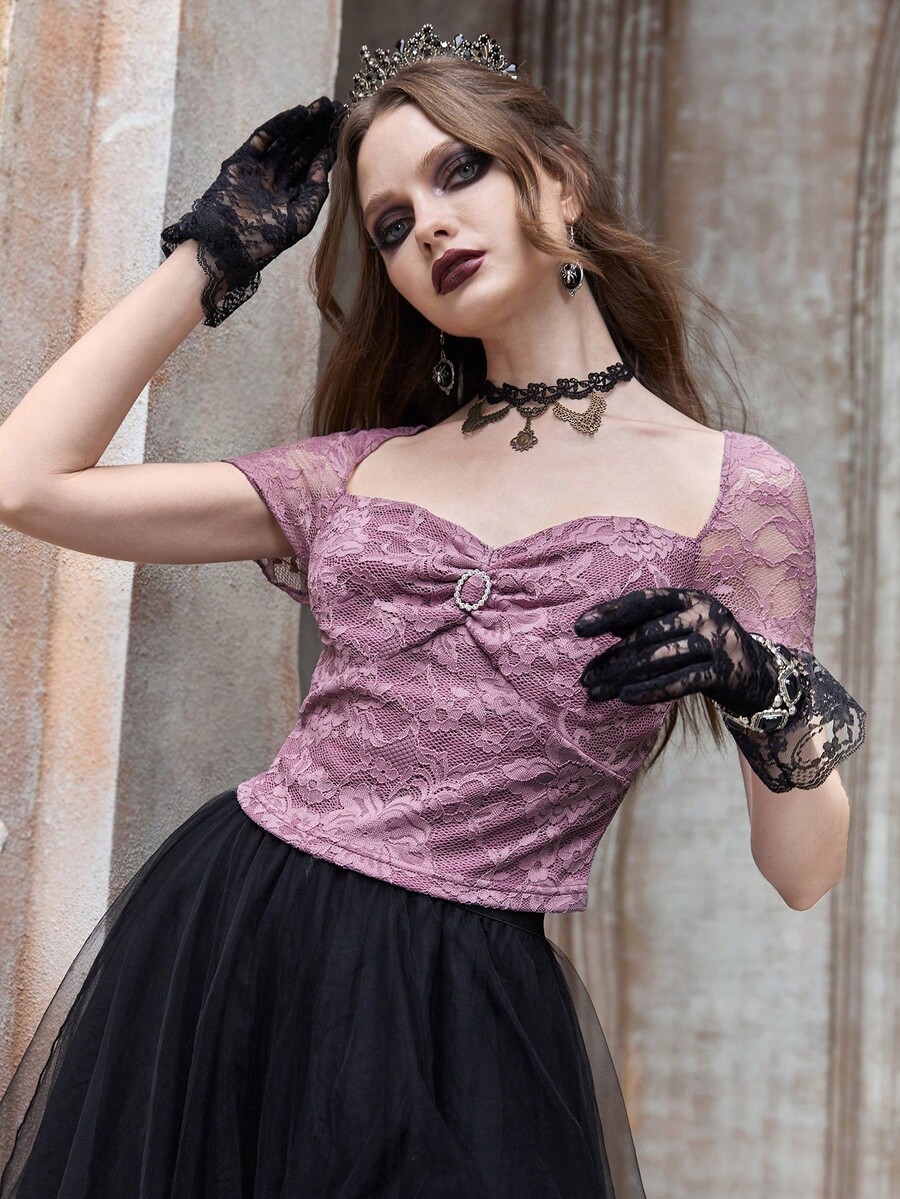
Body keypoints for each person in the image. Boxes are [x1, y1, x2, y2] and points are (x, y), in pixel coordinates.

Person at [0, 22, 867, 1199]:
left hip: (468, 1018)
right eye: (391, 226)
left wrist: (763, 685)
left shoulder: (737, 489)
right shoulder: (358, 472)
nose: (432, 229)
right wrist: (209, 257)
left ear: (558, 179)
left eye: (461, 171)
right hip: (240, 941)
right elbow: (27, 481)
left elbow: (806, 869)